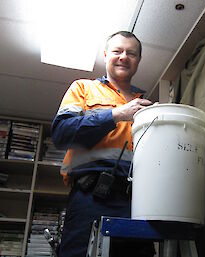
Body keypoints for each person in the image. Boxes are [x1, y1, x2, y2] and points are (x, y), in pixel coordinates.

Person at [51, 31, 155, 257]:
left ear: (138, 60)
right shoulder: (83, 89)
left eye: (131, 53)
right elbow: (61, 133)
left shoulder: (146, 106)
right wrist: (116, 115)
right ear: (106, 55)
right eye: (117, 51)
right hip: (91, 198)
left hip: (137, 202)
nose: (124, 57)